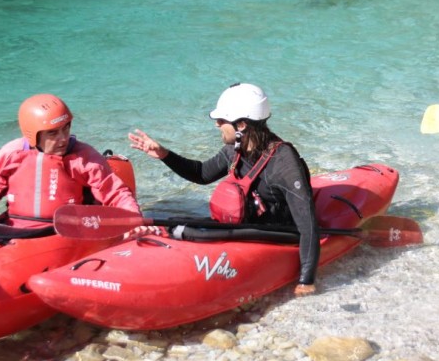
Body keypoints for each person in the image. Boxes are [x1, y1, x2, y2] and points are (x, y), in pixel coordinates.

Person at [128, 83, 320, 296]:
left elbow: (308, 226)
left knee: (193, 230)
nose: (217, 124)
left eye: (222, 120)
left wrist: (306, 281)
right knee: (180, 220)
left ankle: (171, 234)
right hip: (246, 223)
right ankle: (167, 233)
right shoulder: (234, 149)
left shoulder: (284, 163)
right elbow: (201, 174)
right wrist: (165, 154)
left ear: (242, 125)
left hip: (277, 231)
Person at [0, 94, 140, 227]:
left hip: (66, 230)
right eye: (53, 133)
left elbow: (115, 193)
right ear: (33, 134)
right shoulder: (13, 152)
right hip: (17, 228)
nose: (63, 138)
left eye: (65, 129)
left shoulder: (84, 157)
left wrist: (133, 218)